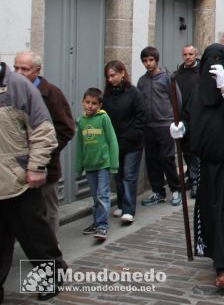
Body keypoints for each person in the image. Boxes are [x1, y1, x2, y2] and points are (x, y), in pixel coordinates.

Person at [170, 43, 224, 290]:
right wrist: (182, 129)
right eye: (209, 61)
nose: (214, 65)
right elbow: (189, 116)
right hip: (210, 164)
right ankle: (219, 256)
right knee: (212, 211)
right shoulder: (200, 88)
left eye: (219, 61)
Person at [0, 61, 67, 302]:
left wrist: (37, 167)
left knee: (34, 235)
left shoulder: (18, 86)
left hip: (19, 179)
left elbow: (44, 131)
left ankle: (52, 276)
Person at [13, 51, 75, 236]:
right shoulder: (10, 91)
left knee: (48, 212)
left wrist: (46, 154)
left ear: (37, 70)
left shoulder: (52, 93)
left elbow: (66, 129)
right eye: (16, 67)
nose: (19, 72)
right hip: (16, 167)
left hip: (45, 167)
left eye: (24, 69)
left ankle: (50, 256)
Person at [137, 46, 182, 206]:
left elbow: (177, 100)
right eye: (145, 61)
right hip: (149, 126)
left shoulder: (167, 78)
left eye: (150, 60)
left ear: (156, 60)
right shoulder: (142, 81)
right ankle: (158, 191)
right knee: (152, 160)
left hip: (165, 124)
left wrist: (175, 121)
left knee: (167, 158)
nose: (148, 63)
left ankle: (176, 189)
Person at [103, 60, 145, 225]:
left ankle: (128, 210)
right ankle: (121, 204)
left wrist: (132, 135)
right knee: (118, 175)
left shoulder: (134, 93)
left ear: (122, 73)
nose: (110, 79)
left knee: (129, 175)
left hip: (132, 142)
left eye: (113, 75)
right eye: (108, 76)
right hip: (114, 142)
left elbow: (141, 116)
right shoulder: (107, 94)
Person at [75, 88, 119, 241]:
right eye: (87, 102)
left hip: (103, 164)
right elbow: (80, 146)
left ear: (100, 105)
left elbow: (112, 140)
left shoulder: (103, 118)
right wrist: (78, 167)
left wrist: (114, 163)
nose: (90, 106)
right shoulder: (81, 121)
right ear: (83, 103)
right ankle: (96, 222)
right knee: (95, 196)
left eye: (94, 103)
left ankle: (102, 226)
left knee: (102, 195)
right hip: (89, 165)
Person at [174, 44, 201, 198]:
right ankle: (191, 177)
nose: (188, 57)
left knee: (195, 149)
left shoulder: (201, 73)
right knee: (185, 149)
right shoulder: (177, 74)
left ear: (195, 55)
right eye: (185, 54)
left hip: (197, 117)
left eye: (191, 54)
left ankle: (195, 180)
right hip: (182, 118)